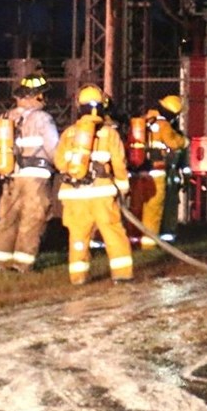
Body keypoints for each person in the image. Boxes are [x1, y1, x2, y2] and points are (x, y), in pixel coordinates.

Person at [54, 85, 134, 285]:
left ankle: (78, 277)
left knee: (78, 236)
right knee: (112, 232)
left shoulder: (69, 134)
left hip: (73, 195)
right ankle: (122, 274)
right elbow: (119, 163)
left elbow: (59, 163)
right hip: (102, 193)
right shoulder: (109, 134)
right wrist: (123, 187)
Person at [0, 74, 59, 273]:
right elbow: (53, 148)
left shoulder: (4, 118)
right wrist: (67, 166)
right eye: (43, 95)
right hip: (36, 178)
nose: (45, 99)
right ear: (36, 96)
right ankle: (22, 265)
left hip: (10, 176)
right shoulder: (44, 119)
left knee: (7, 219)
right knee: (32, 220)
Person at [127, 94, 188, 248]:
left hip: (138, 173)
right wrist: (184, 140)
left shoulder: (142, 122)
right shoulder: (164, 125)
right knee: (152, 211)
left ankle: (133, 241)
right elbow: (174, 142)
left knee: (136, 209)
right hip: (156, 173)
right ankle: (148, 245)